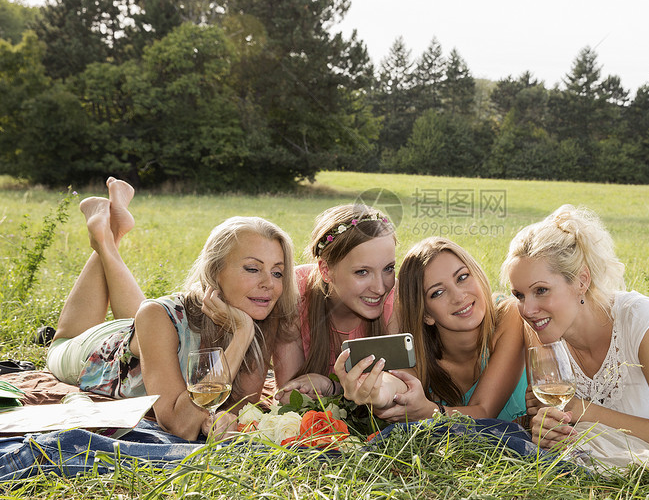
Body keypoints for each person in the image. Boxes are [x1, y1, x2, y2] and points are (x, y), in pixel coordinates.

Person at [46, 177, 298, 441]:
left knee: (147, 316)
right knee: (63, 340)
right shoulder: (162, 315)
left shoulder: (261, 311)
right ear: (214, 270)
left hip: (147, 331)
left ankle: (111, 230)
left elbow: (240, 403)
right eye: (252, 268)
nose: (269, 284)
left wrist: (216, 416)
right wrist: (242, 333)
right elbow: (181, 426)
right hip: (99, 351)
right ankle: (105, 237)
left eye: (278, 273)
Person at [501, 205, 649, 454]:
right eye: (519, 295)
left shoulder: (640, 316)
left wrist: (584, 411)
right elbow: (545, 412)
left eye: (541, 290)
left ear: (581, 281)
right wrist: (545, 427)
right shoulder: (540, 327)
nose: (527, 309)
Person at [335, 237, 527, 422]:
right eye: (438, 292)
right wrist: (377, 391)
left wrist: (429, 411)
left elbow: (485, 411)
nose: (459, 296)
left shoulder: (509, 315)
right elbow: (395, 384)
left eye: (462, 277)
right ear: (426, 314)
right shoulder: (421, 358)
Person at [273, 203, 398, 399]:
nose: (380, 288)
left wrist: (332, 388)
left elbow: (398, 394)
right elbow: (288, 397)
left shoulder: (395, 301)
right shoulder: (296, 293)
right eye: (362, 272)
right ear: (325, 270)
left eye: (388, 268)